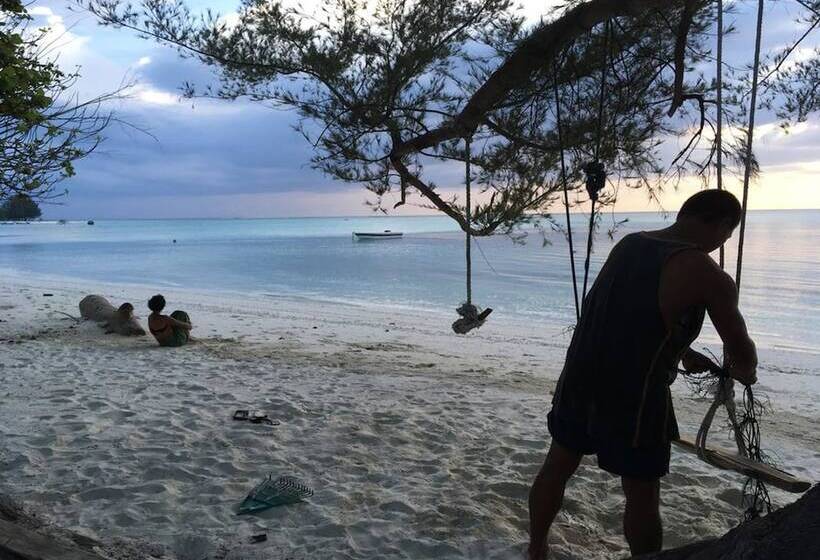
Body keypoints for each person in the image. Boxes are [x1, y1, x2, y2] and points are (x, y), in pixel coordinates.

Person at [527, 190, 758, 559]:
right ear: (722, 226)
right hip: (633, 393)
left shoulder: (630, 244)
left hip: (579, 375)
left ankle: (536, 548)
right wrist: (744, 372)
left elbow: (629, 312)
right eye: (726, 236)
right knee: (642, 492)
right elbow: (740, 350)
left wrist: (681, 352)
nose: (721, 245)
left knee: (557, 466)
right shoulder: (706, 272)